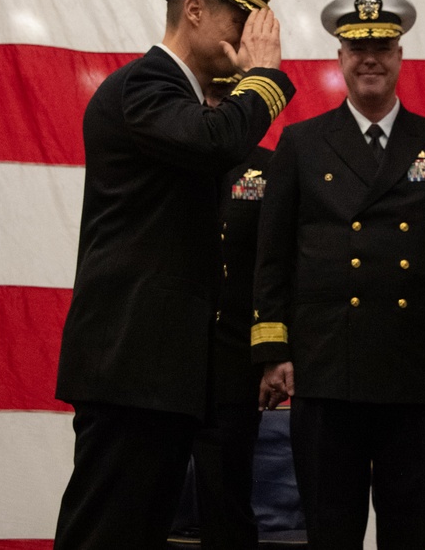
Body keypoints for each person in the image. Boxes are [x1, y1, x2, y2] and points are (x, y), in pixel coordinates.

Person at [53, 0, 295, 550]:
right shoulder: (145, 84)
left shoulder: (177, 97)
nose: (248, 42)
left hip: (161, 374)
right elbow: (217, 142)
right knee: (105, 534)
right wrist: (265, 77)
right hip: (130, 367)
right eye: (241, 23)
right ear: (193, 10)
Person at [251, 0, 425, 550]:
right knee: (331, 531)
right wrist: (273, 350)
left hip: (417, 372)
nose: (370, 58)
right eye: (357, 48)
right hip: (328, 372)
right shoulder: (302, 144)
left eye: (382, 45)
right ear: (340, 59)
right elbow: (272, 257)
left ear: (401, 55)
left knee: (412, 531)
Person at [172, 73, 273, 549]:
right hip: (166, 361)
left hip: (233, 363)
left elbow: (281, 270)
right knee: (145, 499)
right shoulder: (169, 161)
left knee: (226, 499)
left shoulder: (270, 169)